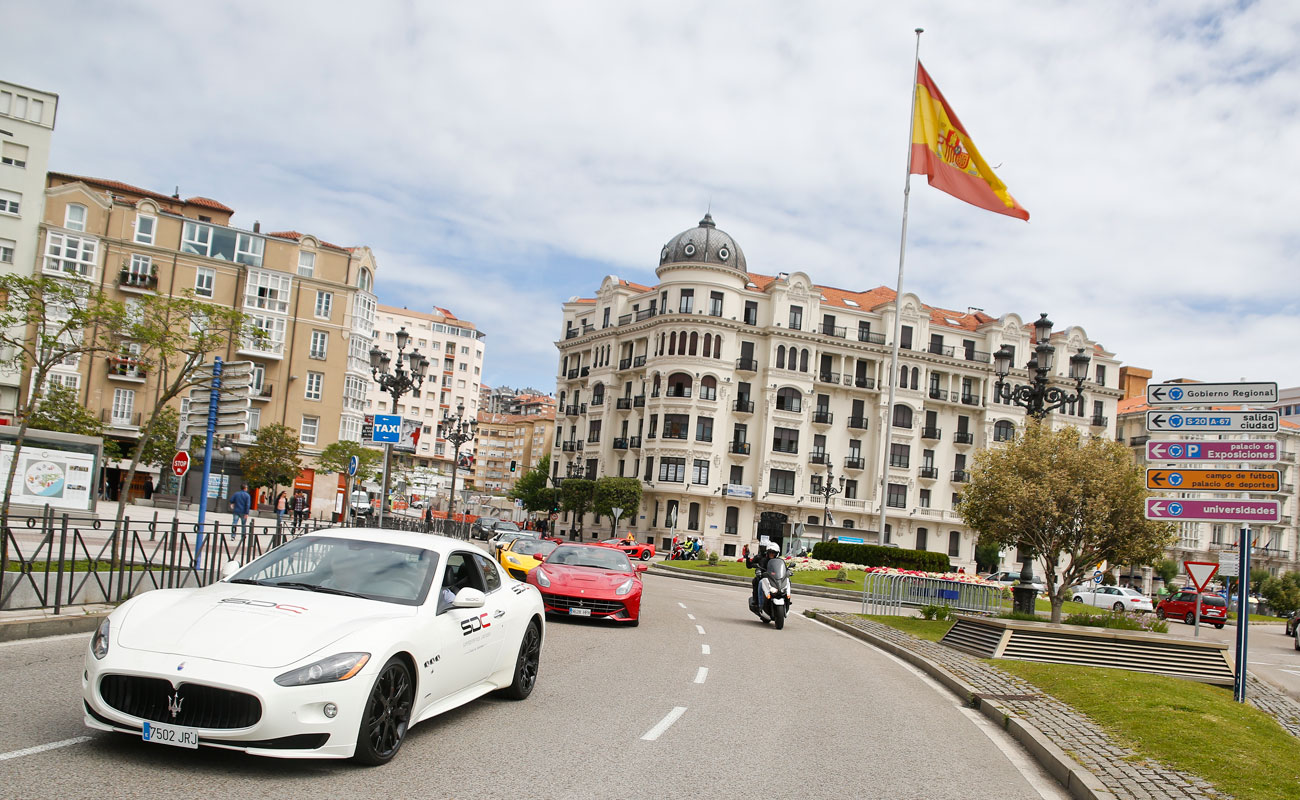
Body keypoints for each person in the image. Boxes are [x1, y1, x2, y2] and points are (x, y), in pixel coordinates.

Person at [746, 542, 781, 611]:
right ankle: (757, 601)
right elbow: (750, 565)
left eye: (773, 553)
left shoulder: (779, 561)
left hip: (775, 578)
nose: (771, 554)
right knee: (757, 581)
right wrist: (748, 558)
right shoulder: (762, 559)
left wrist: (787, 572)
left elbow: (781, 569)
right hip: (764, 577)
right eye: (770, 552)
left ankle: (785, 598)